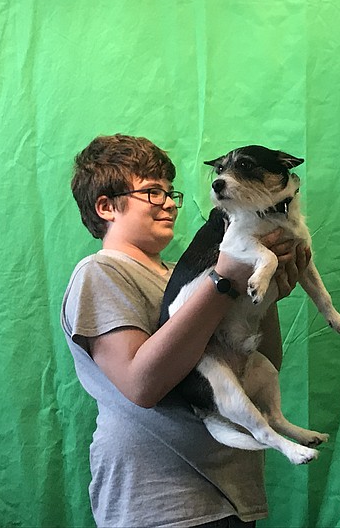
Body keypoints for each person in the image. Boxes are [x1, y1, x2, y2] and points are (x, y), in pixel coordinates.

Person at [61, 134, 308, 527]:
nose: (169, 203)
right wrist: (225, 279)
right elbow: (142, 384)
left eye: (170, 193)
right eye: (152, 192)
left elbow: (260, 363)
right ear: (106, 206)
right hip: (161, 504)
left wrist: (265, 291)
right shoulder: (100, 273)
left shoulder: (185, 273)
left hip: (232, 495)